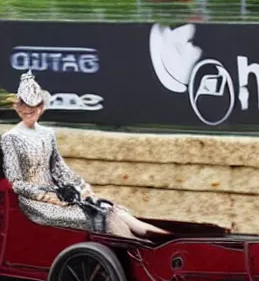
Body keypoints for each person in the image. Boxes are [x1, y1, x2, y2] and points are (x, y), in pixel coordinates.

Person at [0, 70, 170, 240]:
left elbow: (60, 169)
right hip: (34, 204)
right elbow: (17, 183)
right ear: (18, 107)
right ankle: (140, 249)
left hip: (63, 196)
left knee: (109, 208)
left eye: (34, 105)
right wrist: (50, 196)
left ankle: (163, 239)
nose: (29, 110)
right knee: (101, 216)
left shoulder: (47, 134)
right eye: (25, 105)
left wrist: (82, 188)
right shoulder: (10, 138)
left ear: (41, 107)